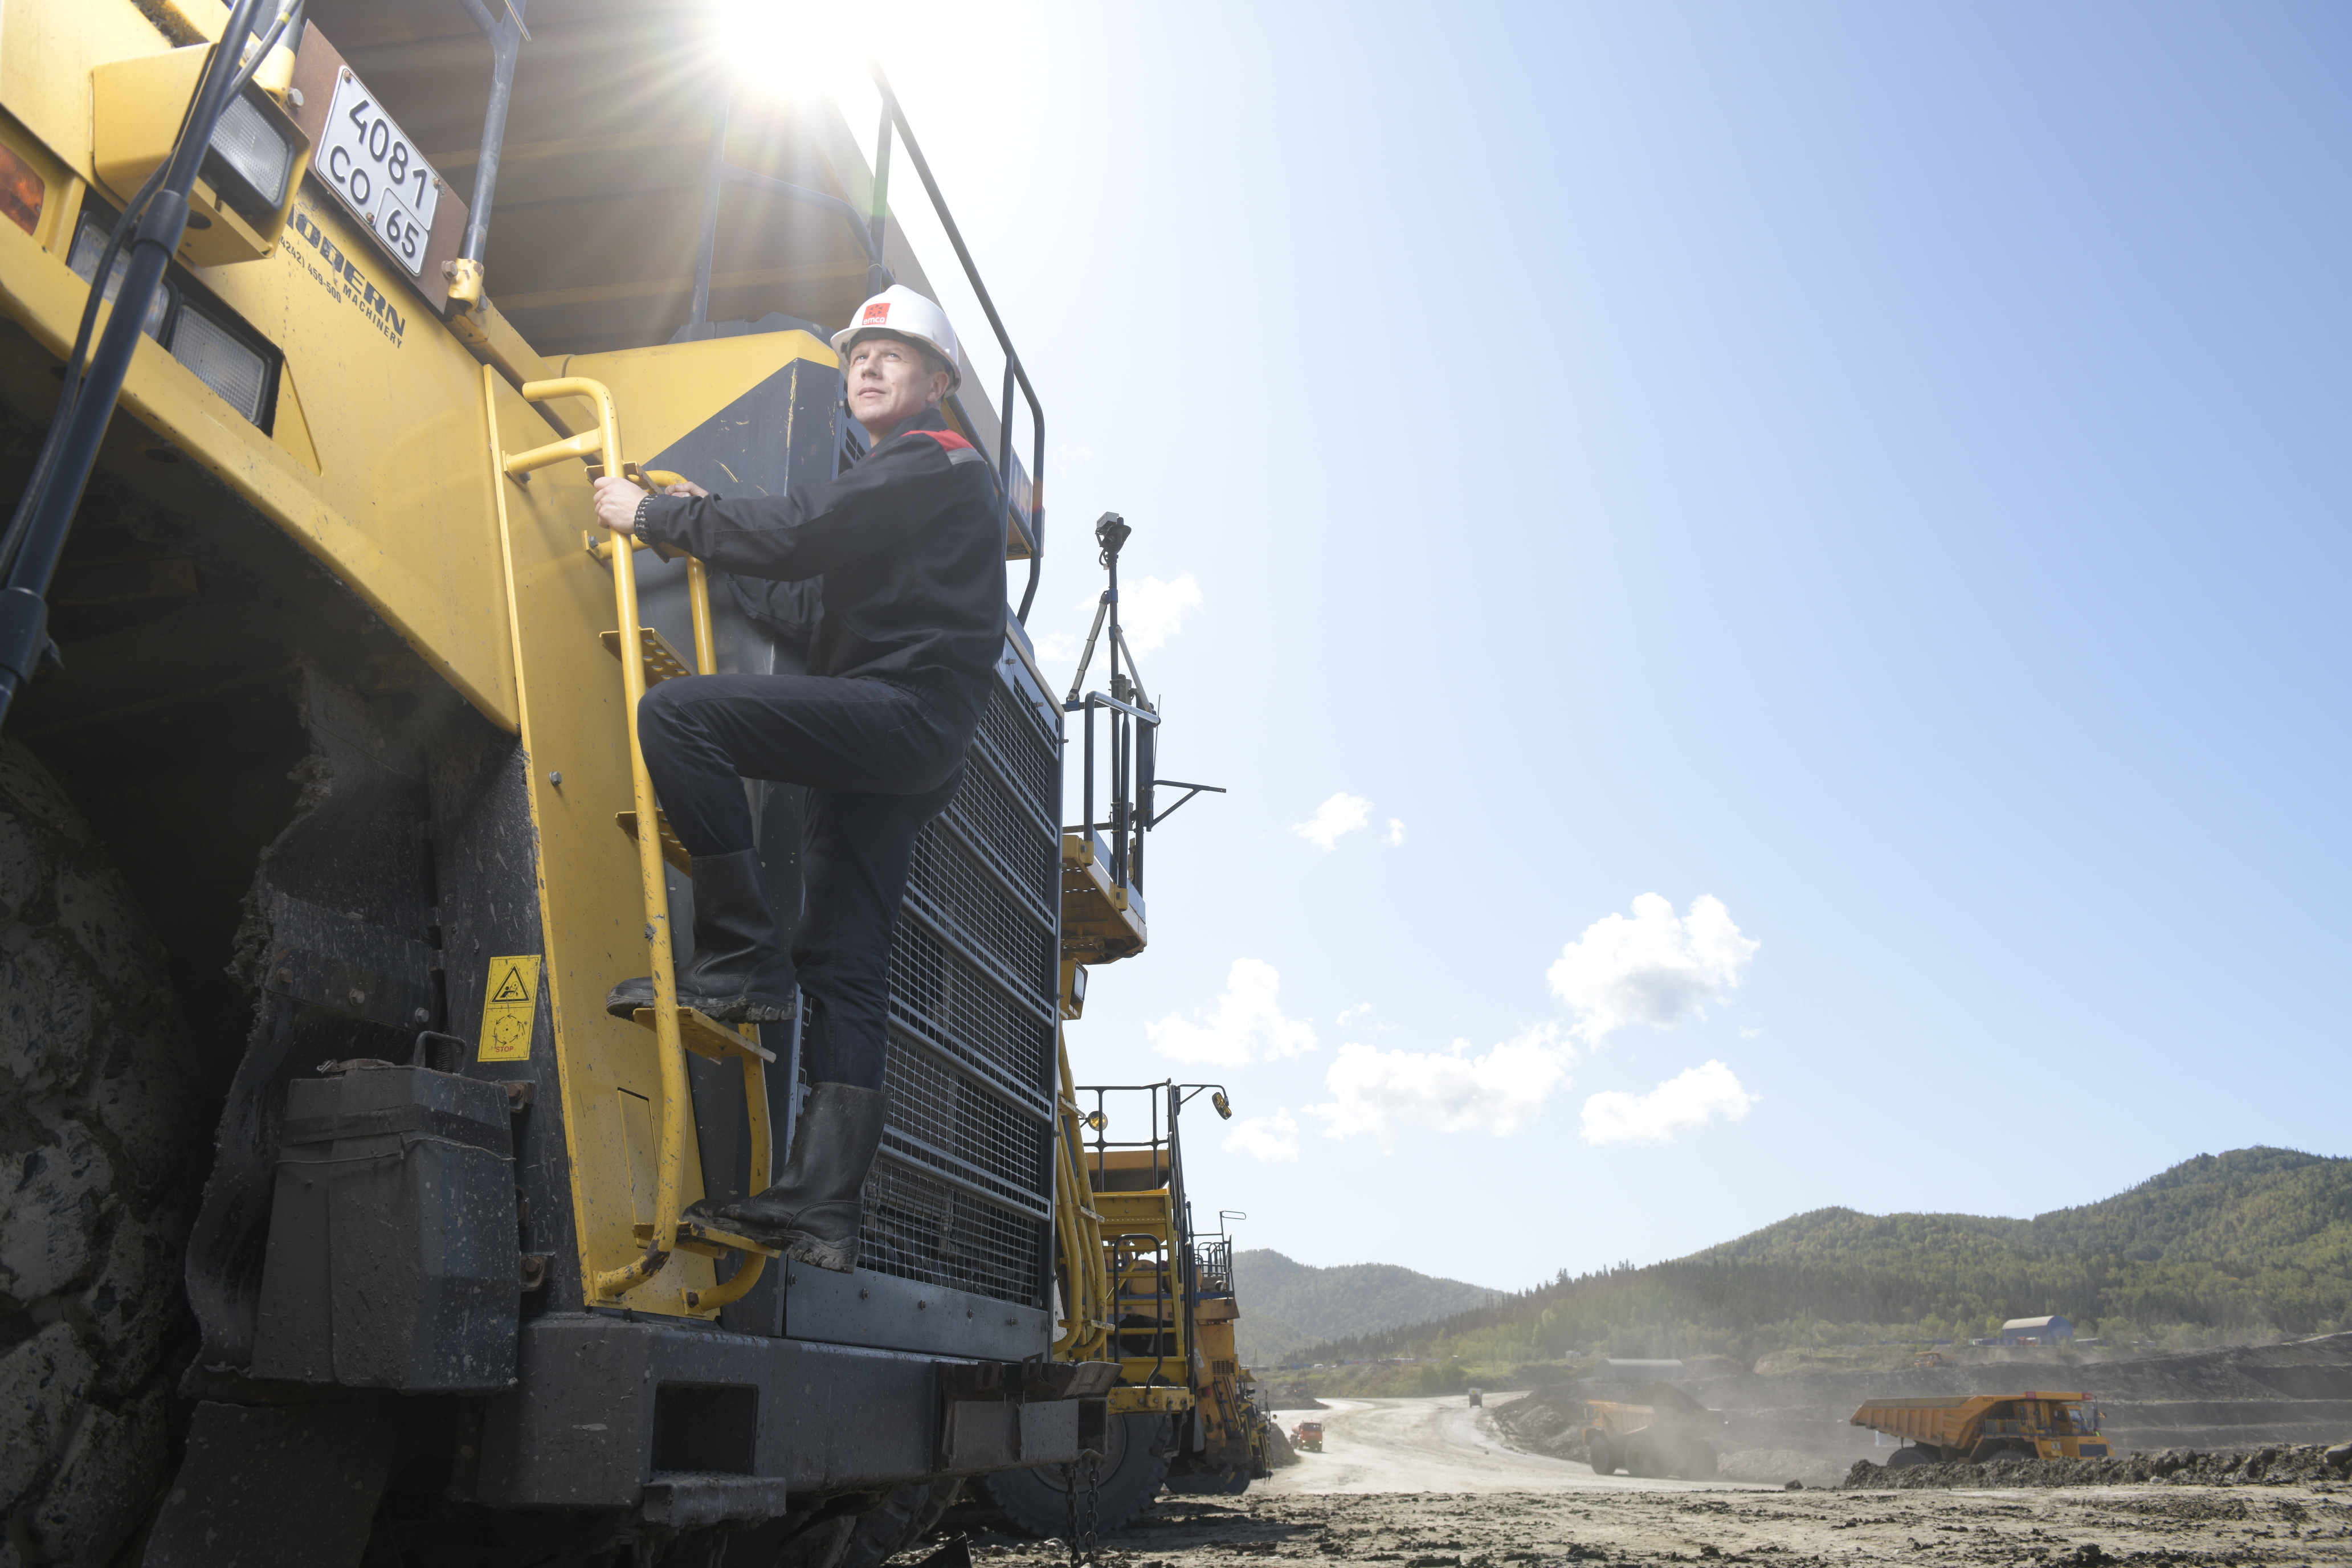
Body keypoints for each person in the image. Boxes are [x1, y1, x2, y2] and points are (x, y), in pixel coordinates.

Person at [586, 285, 1004, 1272]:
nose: (867, 366)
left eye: (893, 355)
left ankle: (737, 960)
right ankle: (822, 1210)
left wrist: (651, 513)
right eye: (859, 353)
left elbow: (805, 528)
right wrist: (694, 528)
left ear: (936, 383)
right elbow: (799, 593)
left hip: (901, 719)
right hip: (902, 746)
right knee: (847, 965)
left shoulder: (935, 462)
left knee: (678, 716)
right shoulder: (905, 509)